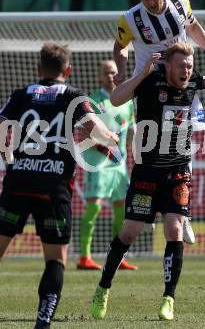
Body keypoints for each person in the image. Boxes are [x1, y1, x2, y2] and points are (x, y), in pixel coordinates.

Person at [90, 42, 205, 321]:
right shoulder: (149, 81)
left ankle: (168, 298)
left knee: (173, 230)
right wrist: (142, 72)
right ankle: (103, 288)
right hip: (147, 171)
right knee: (129, 233)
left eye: (190, 66)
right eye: (182, 65)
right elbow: (115, 98)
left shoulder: (193, 80)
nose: (187, 70)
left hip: (178, 169)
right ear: (168, 66)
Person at [0, 42, 119, 329]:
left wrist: (8, 156)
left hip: (18, 181)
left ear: (39, 69)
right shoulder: (73, 96)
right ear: (68, 70)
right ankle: (43, 320)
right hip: (53, 186)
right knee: (56, 259)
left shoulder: (20, 95)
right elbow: (94, 128)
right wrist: (111, 137)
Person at [113, 0, 205, 244]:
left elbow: (194, 26)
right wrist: (123, 71)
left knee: (185, 143)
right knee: (147, 142)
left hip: (182, 84)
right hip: (150, 89)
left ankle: (182, 214)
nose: (149, 2)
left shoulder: (180, 3)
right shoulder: (130, 18)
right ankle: (146, 206)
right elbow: (120, 46)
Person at [77, 60, 138, 271]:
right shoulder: (94, 100)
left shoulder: (127, 101)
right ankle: (84, 256)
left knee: (121, 211)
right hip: (99, 163)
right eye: (106, 73)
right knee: (93, 207)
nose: (111, 76)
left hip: (118, 165)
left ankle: (117, 257)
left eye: (113, 72)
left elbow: (130, 130)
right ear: (100, 76)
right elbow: (83, 133)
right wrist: (106, 150)